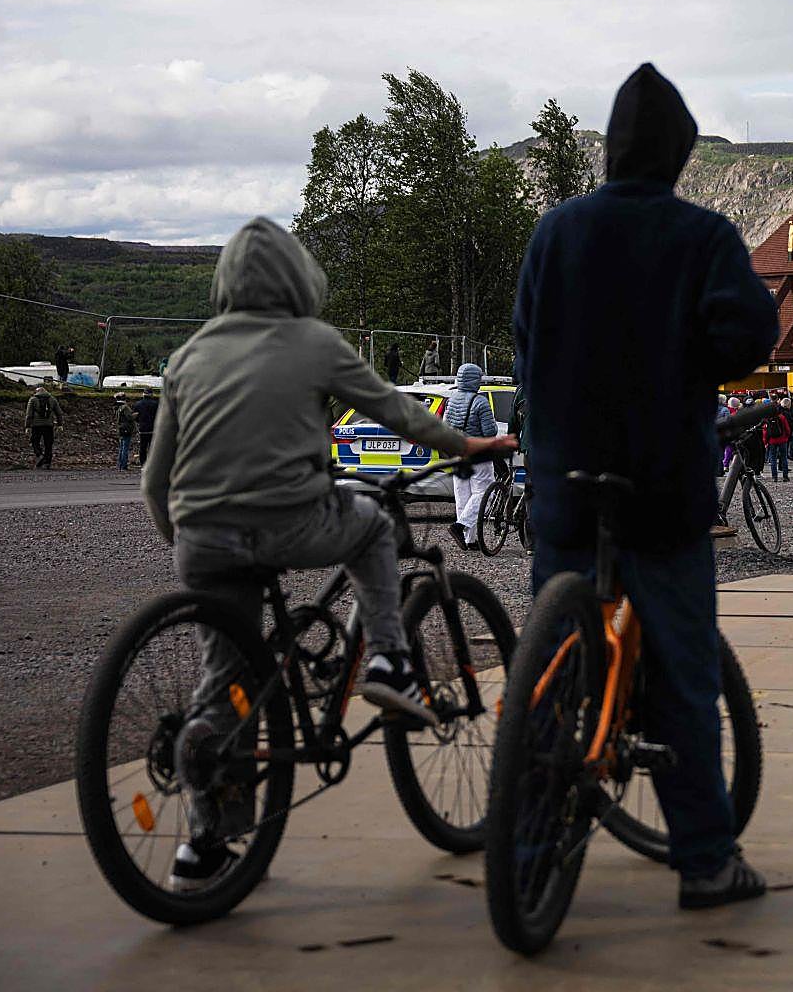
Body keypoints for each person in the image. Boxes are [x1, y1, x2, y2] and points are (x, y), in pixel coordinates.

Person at [142, 217, 514, 891]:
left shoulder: (190, 354)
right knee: (371, 524)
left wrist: (196, 551)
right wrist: (468, 448)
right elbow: (397, 412)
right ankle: (390, 661)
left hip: (200, 537)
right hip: (286, 521)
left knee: (222, 685)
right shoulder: (314, 341)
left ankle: (205, 847)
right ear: (295, 277)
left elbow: (153, 480)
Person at [513, 63, 778, 909]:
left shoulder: (554, 233)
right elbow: (746, 336)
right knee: (681, 677)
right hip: (659, 488)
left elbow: (524, 341)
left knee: (552, 673)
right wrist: (688, 359)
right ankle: (704, 859)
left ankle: (528, 856)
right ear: (675, 154)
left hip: (562, 487)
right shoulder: (700, 237)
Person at [446, 363, 498, 549]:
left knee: (462, 495)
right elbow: (490, 431)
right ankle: (460, 526)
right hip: (478, 454)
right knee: (483, 493)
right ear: (475, 380)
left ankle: (470, 540)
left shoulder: (451, 400)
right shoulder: (480, 401)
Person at [25, 383, 61, 468]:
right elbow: (59, 413)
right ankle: (47, 462)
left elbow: (29, 414)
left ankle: (39, 455)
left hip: (36, 425)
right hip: (49, 425)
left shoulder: (33, 399)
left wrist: (27, 426)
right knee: (48, 443)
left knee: (35, 441)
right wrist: (60, 424)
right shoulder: (52, 399)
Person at [761, 399, 791, 482]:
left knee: (773, 459)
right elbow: (787, 428)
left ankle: (774, 476)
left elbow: (765, 432)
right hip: (782, 440)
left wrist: (765, 442)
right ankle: (785, 476)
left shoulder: (768, 418)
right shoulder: (782, 417)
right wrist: (787, 437)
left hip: (772, 441)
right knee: (784, 458)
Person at [132, 387, 160, 466]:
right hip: (153, 428)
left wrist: (139, 422)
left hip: (142, 428)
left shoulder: (138, 404)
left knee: (142, 447)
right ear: (151, 394)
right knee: (152, 447)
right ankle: (152, 463)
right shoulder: (156, 404)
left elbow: (135, 417)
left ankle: (143, 463)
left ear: (143, 394)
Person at [114, 392, 136, 470]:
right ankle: (124, 465)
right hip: (126, 429)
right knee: (125, 448)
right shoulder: (125, 407)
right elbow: (130, 417)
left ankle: (120, 464)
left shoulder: (117, 407)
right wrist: (136, 414)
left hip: (120, 429)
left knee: (121, 447)